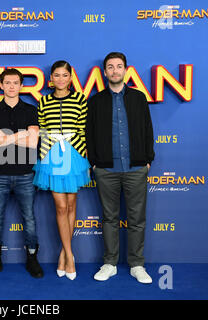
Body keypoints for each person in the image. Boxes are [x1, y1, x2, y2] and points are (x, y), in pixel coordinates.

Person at [86, 52, 155, 284]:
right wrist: (95, 163)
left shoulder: (138, 98)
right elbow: (90, 135)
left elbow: (148, 130)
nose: (115, 71)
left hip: (136, 168)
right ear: (104, 72)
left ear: (126, 69)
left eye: (119, 66)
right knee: (109, 219)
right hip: (106, 170)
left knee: (137, 219)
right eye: (110, 67)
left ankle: (137, 265)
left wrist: (147, 160)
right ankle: (110, 263)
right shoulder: (95, 101)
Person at [33, 61, 91, 280]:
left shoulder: (80, 99)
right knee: (60, 206)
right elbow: (41, 129)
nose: (60, 79)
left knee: (71, 205)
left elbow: (83, 129)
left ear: (70, 77)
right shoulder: (44, 101)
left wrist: (81, 152)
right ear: (51, 78)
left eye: (64, 75)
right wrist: (48, 148)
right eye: (56, 75)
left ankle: (64, 255)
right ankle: (69, 254)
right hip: (52, 155)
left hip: (74, 154)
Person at [0, 68, 43, 279]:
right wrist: (21, 134)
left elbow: (33, 142)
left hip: (25, 173)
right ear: (1, 85)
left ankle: (32, 258)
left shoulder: (30, 110)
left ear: (21, 85)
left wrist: (5, 136)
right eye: (7, 82)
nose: (11, 86)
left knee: (29, 218)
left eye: (15, 82)